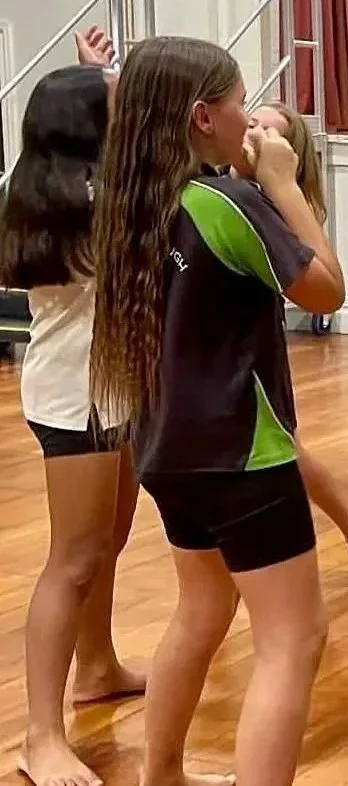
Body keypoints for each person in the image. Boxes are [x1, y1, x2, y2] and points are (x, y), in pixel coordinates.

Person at [88, 35, 345, 785]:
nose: (250, 118)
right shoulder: (225, 203)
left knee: (201, 612)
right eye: (239, 103)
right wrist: (284, 184)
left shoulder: (132, 206)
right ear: (203, 117)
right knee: (294, 639)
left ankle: (160, 774)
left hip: (167, 450)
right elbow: (327, 290)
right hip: (242, 453)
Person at [1, 49, 146, 786]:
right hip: (77, 396)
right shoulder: (94, 198)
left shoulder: (67, 184)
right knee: (75, 558)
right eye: (120, 102)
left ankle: (99, 665)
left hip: (106, 387)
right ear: (92, 123)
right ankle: (39, 735)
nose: (136, 111)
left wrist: (103, 68)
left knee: (109, 538)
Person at [250, 102, 348, 587]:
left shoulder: (281, 206)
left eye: (274, 130)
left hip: (252, 352)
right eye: (255, 121)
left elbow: (323, 290)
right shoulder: (210, 188)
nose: (259, 132)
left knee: (288, 452)